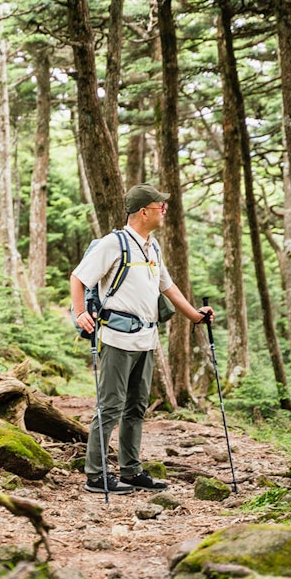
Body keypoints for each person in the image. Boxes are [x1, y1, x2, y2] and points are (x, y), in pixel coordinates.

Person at [71, 183, 215, 494]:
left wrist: (194, 316)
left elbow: (168, 287)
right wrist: (81, 312)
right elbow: (79, 277)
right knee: (110, 406)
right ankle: (95, 476)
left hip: (147, 340)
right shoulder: (113, 243)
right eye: (159, 205)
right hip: (116, 338)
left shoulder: (153, 247)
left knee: (136, 407)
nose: (164, 209)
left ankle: (130, 471)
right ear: (143, 211)